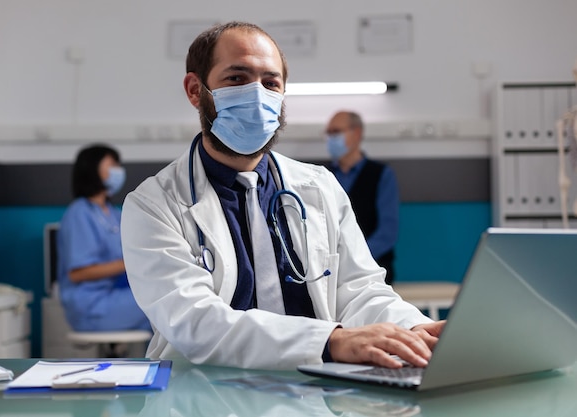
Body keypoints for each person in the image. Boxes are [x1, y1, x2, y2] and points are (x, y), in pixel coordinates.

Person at [121, 21, 444, 370]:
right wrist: (329, 341)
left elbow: (360, 290)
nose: (257, 94)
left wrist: (414, 330)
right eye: (237, 78)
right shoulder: (153, 205)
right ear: (195, 90)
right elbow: (196, 322)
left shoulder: (320, 187)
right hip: (205, 391)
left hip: (314, 390)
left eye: (270, 82)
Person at [57, 144, 151, 332]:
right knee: (161, 304)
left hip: (116, 295)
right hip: (92, 304)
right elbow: (78, 273)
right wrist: (131, 263)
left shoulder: (113, 213)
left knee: (162, 305)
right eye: (112, 164)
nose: (118, 170)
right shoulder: (80, 212)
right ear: (92, 168)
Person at [325, 111, 399, 284]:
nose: (330, 138)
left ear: (356, 133)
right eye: (328, 133)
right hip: (329, 272)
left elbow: (387, 232)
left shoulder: (381, 175)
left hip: (373, 269)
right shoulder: (322, 175)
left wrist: (355, 259)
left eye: (336, 132)